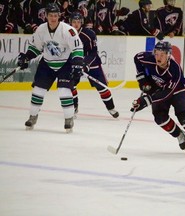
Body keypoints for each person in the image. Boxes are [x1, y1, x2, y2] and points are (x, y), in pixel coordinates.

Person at [131, 41, 185, 155]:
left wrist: (147, 100)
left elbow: (167, 93)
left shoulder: (175, 70)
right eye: (156, 53)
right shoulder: (148, 58)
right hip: (160, 89)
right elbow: (136, 58)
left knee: (184, 116)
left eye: (162, 54)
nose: (158, 57)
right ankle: (180, 135)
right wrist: (143, 79)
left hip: (178, 90)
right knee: (160, 118)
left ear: (168, 55)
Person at [17, 3, 84, 132]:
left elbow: (77, 48)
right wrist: (27, 57)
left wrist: (77, 63)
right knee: (38, 90)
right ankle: (32, 116)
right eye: (51, 15)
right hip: (47, 63)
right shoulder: (41, 30)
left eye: (56, 15)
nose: (53, 18)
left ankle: (69, 119)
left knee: (64, 91)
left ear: (59, 16)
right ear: (46, 16)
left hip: (65, 63)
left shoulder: (68, 30)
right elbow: (36, 47)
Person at [69, 11, 119, 118]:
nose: (76, 24)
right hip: (74, 64)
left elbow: (93, 52)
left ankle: (111, 108)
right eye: (74, 22)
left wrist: (85, 63)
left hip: (92, 64)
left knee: (102, 88)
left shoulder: (89, 34)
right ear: (70, 22)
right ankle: (74, 107)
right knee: (70, 85)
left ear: (82, 22)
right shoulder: (66, 34)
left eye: (78, 22)